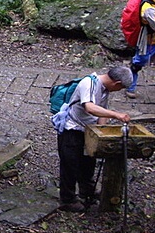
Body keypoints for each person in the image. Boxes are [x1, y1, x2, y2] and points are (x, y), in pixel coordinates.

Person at [57, 66, 133, 212]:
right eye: (121, 88)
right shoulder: (89, 83)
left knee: (88, 162)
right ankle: (67, 199)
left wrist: (101, 132)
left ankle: (87, 191)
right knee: (70, 165)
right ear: (117, 84)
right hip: (71, 129)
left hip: (88, 130)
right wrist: (117, 115)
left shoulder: (104, 90)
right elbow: (90, 107)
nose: (119, 90)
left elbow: (101, 113)